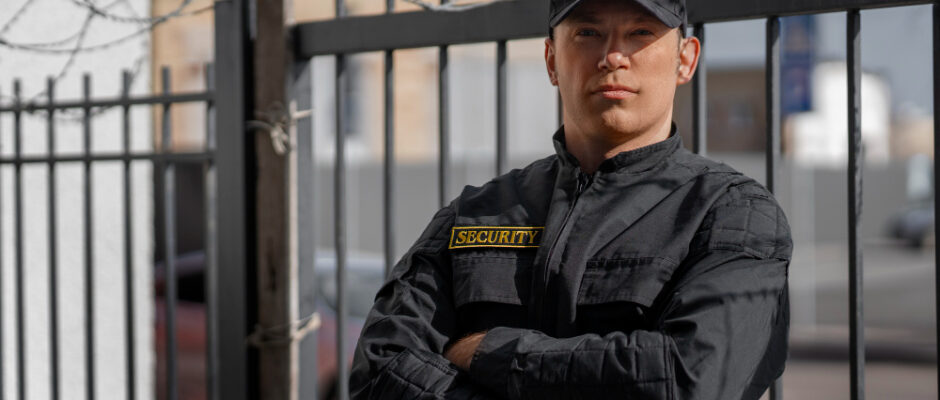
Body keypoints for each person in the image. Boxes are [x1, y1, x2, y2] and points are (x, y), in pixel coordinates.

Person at [349, 0, 792, 398]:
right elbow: (381, 368)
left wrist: (493, 352)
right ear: (551, 60)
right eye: (587, 33)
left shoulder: (729, 212)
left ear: (685, 59)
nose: (612, 57)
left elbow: (690, 377)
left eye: (640, 33)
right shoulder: (476, 212)